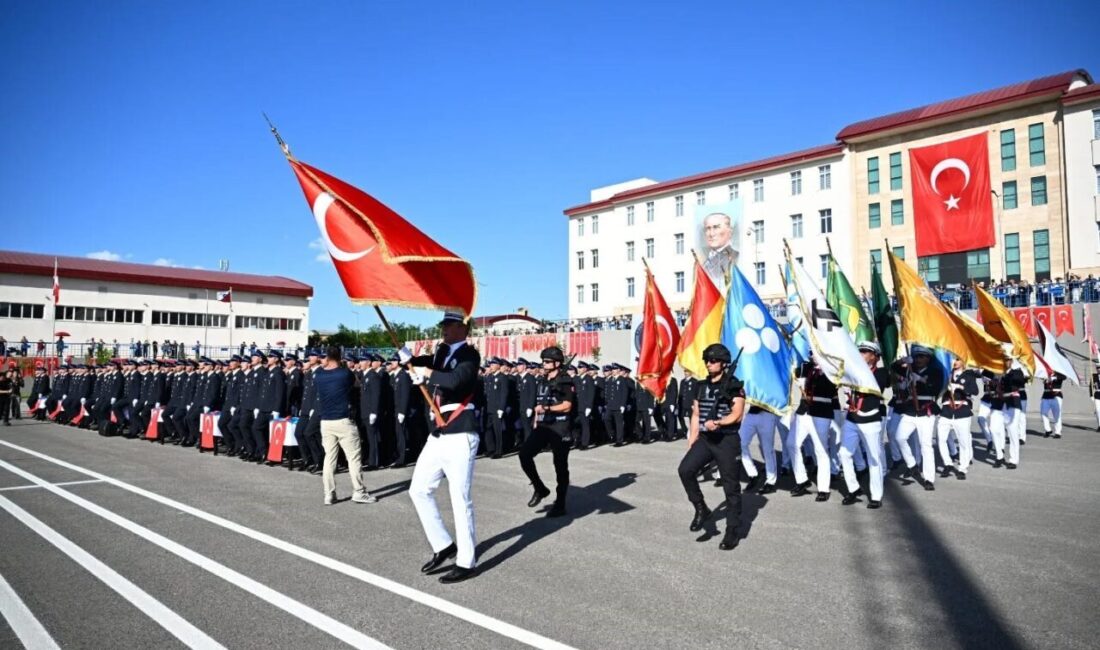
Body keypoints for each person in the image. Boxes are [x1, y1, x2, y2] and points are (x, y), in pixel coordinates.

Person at [400, 312, 482, 584]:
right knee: (419, 490)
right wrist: (406, 357)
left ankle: (466, 561)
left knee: (460, 498)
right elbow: (413, 365)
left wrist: (426, 373)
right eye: (443, 325)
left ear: (463, 327)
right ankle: (444, 546)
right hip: (439, 431)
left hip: (460, 430)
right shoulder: (441, 353)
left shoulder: (470, 355)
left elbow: (454, 381)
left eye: (449, 325)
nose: (444, 329)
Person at [677, 343, 745, 550]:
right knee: (685, 469)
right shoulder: (701, 386)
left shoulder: (734, 385)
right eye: (707, 360)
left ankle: (732, 530)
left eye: (713, 360)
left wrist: (719, 422)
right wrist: (692, 439)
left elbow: (737, 413)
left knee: (730, 487)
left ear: (724, 363)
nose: (709, 363)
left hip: (727, 440)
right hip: (706, 440)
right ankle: (701, 508)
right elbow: (696, 414)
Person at [314, 346, 376, 505]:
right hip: (343, 420)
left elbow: (322, 368)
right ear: (340, 359)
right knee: (354, 458)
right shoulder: (345, 374)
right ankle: (359, 492)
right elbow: (356, 384)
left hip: (326, 421)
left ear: (327, 359)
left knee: (329, 459)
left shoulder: (319, 375)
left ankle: (328, 494)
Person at [518, 346, 575, 518]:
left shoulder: (566, 380)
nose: (544, 363)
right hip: (543, 426)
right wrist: (537, 420)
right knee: (524, 454)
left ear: (557, 363)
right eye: (543, 360)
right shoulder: (542, 379)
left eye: (548, 361)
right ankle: (540, 488)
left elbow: (567, 406)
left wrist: (547, 408)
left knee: (560, 466)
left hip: (560, 427)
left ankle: (560, 503)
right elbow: (539, 403)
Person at [937, 358, 978, 479]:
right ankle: (948, 463)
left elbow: (975, 391)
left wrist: (960, 387)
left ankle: (962, 468)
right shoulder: (946, 374)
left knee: (963, 442)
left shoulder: (969, 375)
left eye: (958, 359)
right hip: (946, 411)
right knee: (941, 439)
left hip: (962, 412)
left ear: (963, 362)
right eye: (954, 359)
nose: (955, 362)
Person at [700, 212, 738, 287]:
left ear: (730, 231)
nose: (711, 234)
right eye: (708, 229)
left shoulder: (735, 256)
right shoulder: (705, 262)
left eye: (716, 227)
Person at [1039, 372, 1066, 439]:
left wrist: (1054, 377)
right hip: (1046, 395)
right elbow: (1040, 377)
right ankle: (1048, 430)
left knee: (1057, 414)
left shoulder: (1059, 373)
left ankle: (1058, 432)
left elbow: (1064, 377)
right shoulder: (1045, 373)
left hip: (1056, 395)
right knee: (1043, 413)